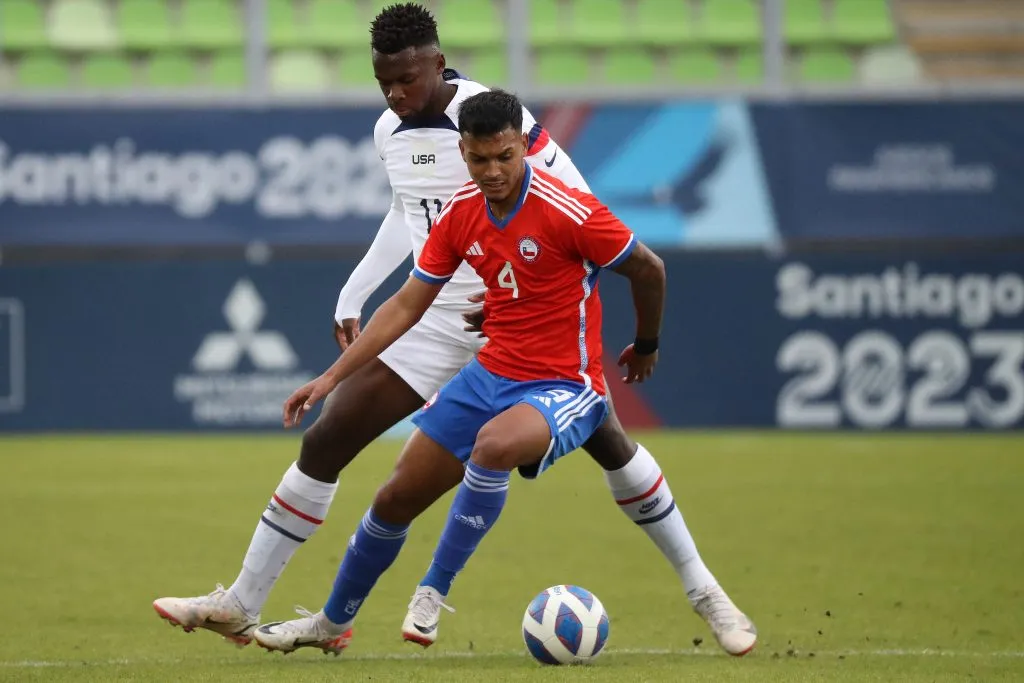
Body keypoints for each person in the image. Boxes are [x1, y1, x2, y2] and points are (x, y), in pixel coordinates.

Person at [152, 2, 756, 657]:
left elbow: (581, 217)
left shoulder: (493, 118)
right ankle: (244, 603)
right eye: (383, 80)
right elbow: (407, 213)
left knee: (611, 444)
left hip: (529, 329)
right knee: (330, 438)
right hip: (438, 317)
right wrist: (354, 291)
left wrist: (528, 298)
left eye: (407, 79)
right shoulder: (391, 129)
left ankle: (705, 590)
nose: (394, 93)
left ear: (437, 65)